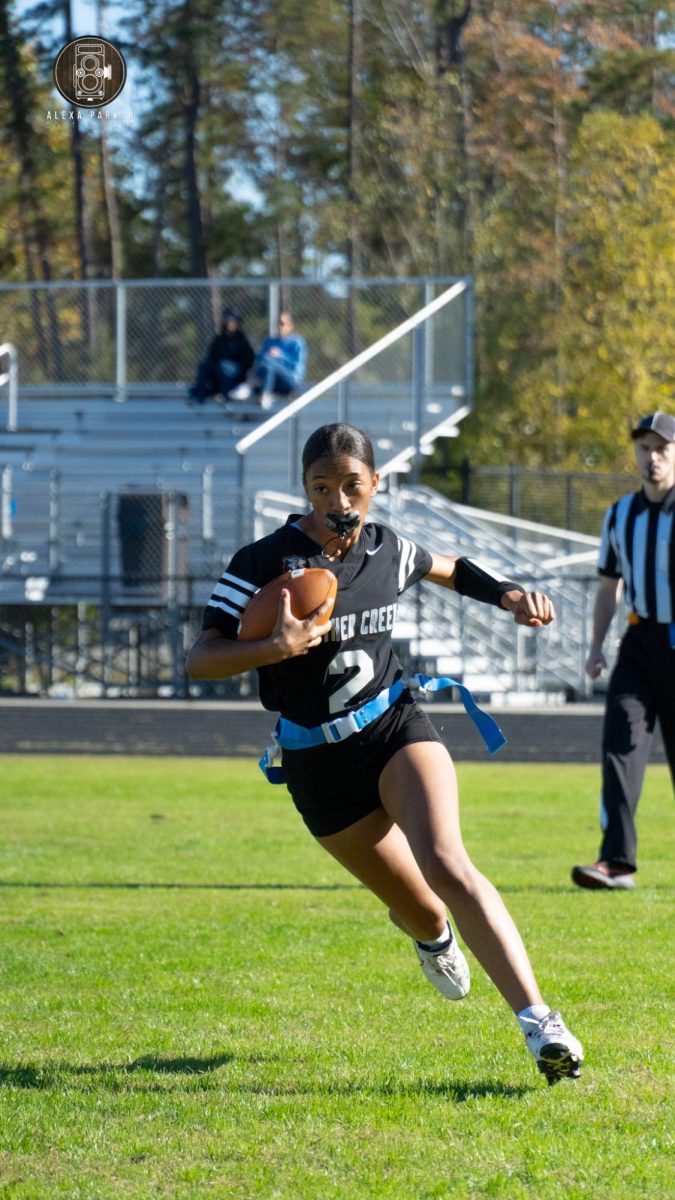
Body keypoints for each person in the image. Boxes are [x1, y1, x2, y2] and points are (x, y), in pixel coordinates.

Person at [186, 422, 583, 1085]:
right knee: (424, 908)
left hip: (392, 727)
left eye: (350, 484)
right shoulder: (260, 563)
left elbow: (450, 568)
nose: (336, 498)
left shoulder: (386, 548)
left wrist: (507, 593)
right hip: (315, 763)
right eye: (321, 486)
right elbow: (201, 659)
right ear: (305, 488)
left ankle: (539, 1022)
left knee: (448, 863)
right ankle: (433, 939)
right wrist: (271, 650)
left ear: (375, 484)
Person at [572, 411, 675, 891]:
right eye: (644, 448)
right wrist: (595, 646)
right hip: (638, 643)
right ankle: (616, 861)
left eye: (662, 448)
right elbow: (608, 586)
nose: (652, 457)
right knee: (619, 750)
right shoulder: (620, 515)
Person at [187, 308, 255, 406]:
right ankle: (199, 396)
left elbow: (248, 360)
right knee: (204, 365)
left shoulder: (242, 340)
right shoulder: (219, 339)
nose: (231, 323)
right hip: (218, 373)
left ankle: (225, 396)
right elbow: (212, 357)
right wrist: (220, 363)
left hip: (235, 375)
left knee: (223, 368)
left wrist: (236, 366)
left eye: (233, 321)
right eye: (228, 320)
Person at [249, 311, 308, 409]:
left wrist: (280, 355)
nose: (280, 326)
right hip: (274, 384)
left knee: (269, 360)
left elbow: (297, 367)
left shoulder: (297, 342)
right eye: (278, 323)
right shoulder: (269, 341)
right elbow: (260, 361)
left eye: (283, 323)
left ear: (290, 326)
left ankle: (259, 392)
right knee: (267, 363)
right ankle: (262, 392)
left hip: (290, 382)